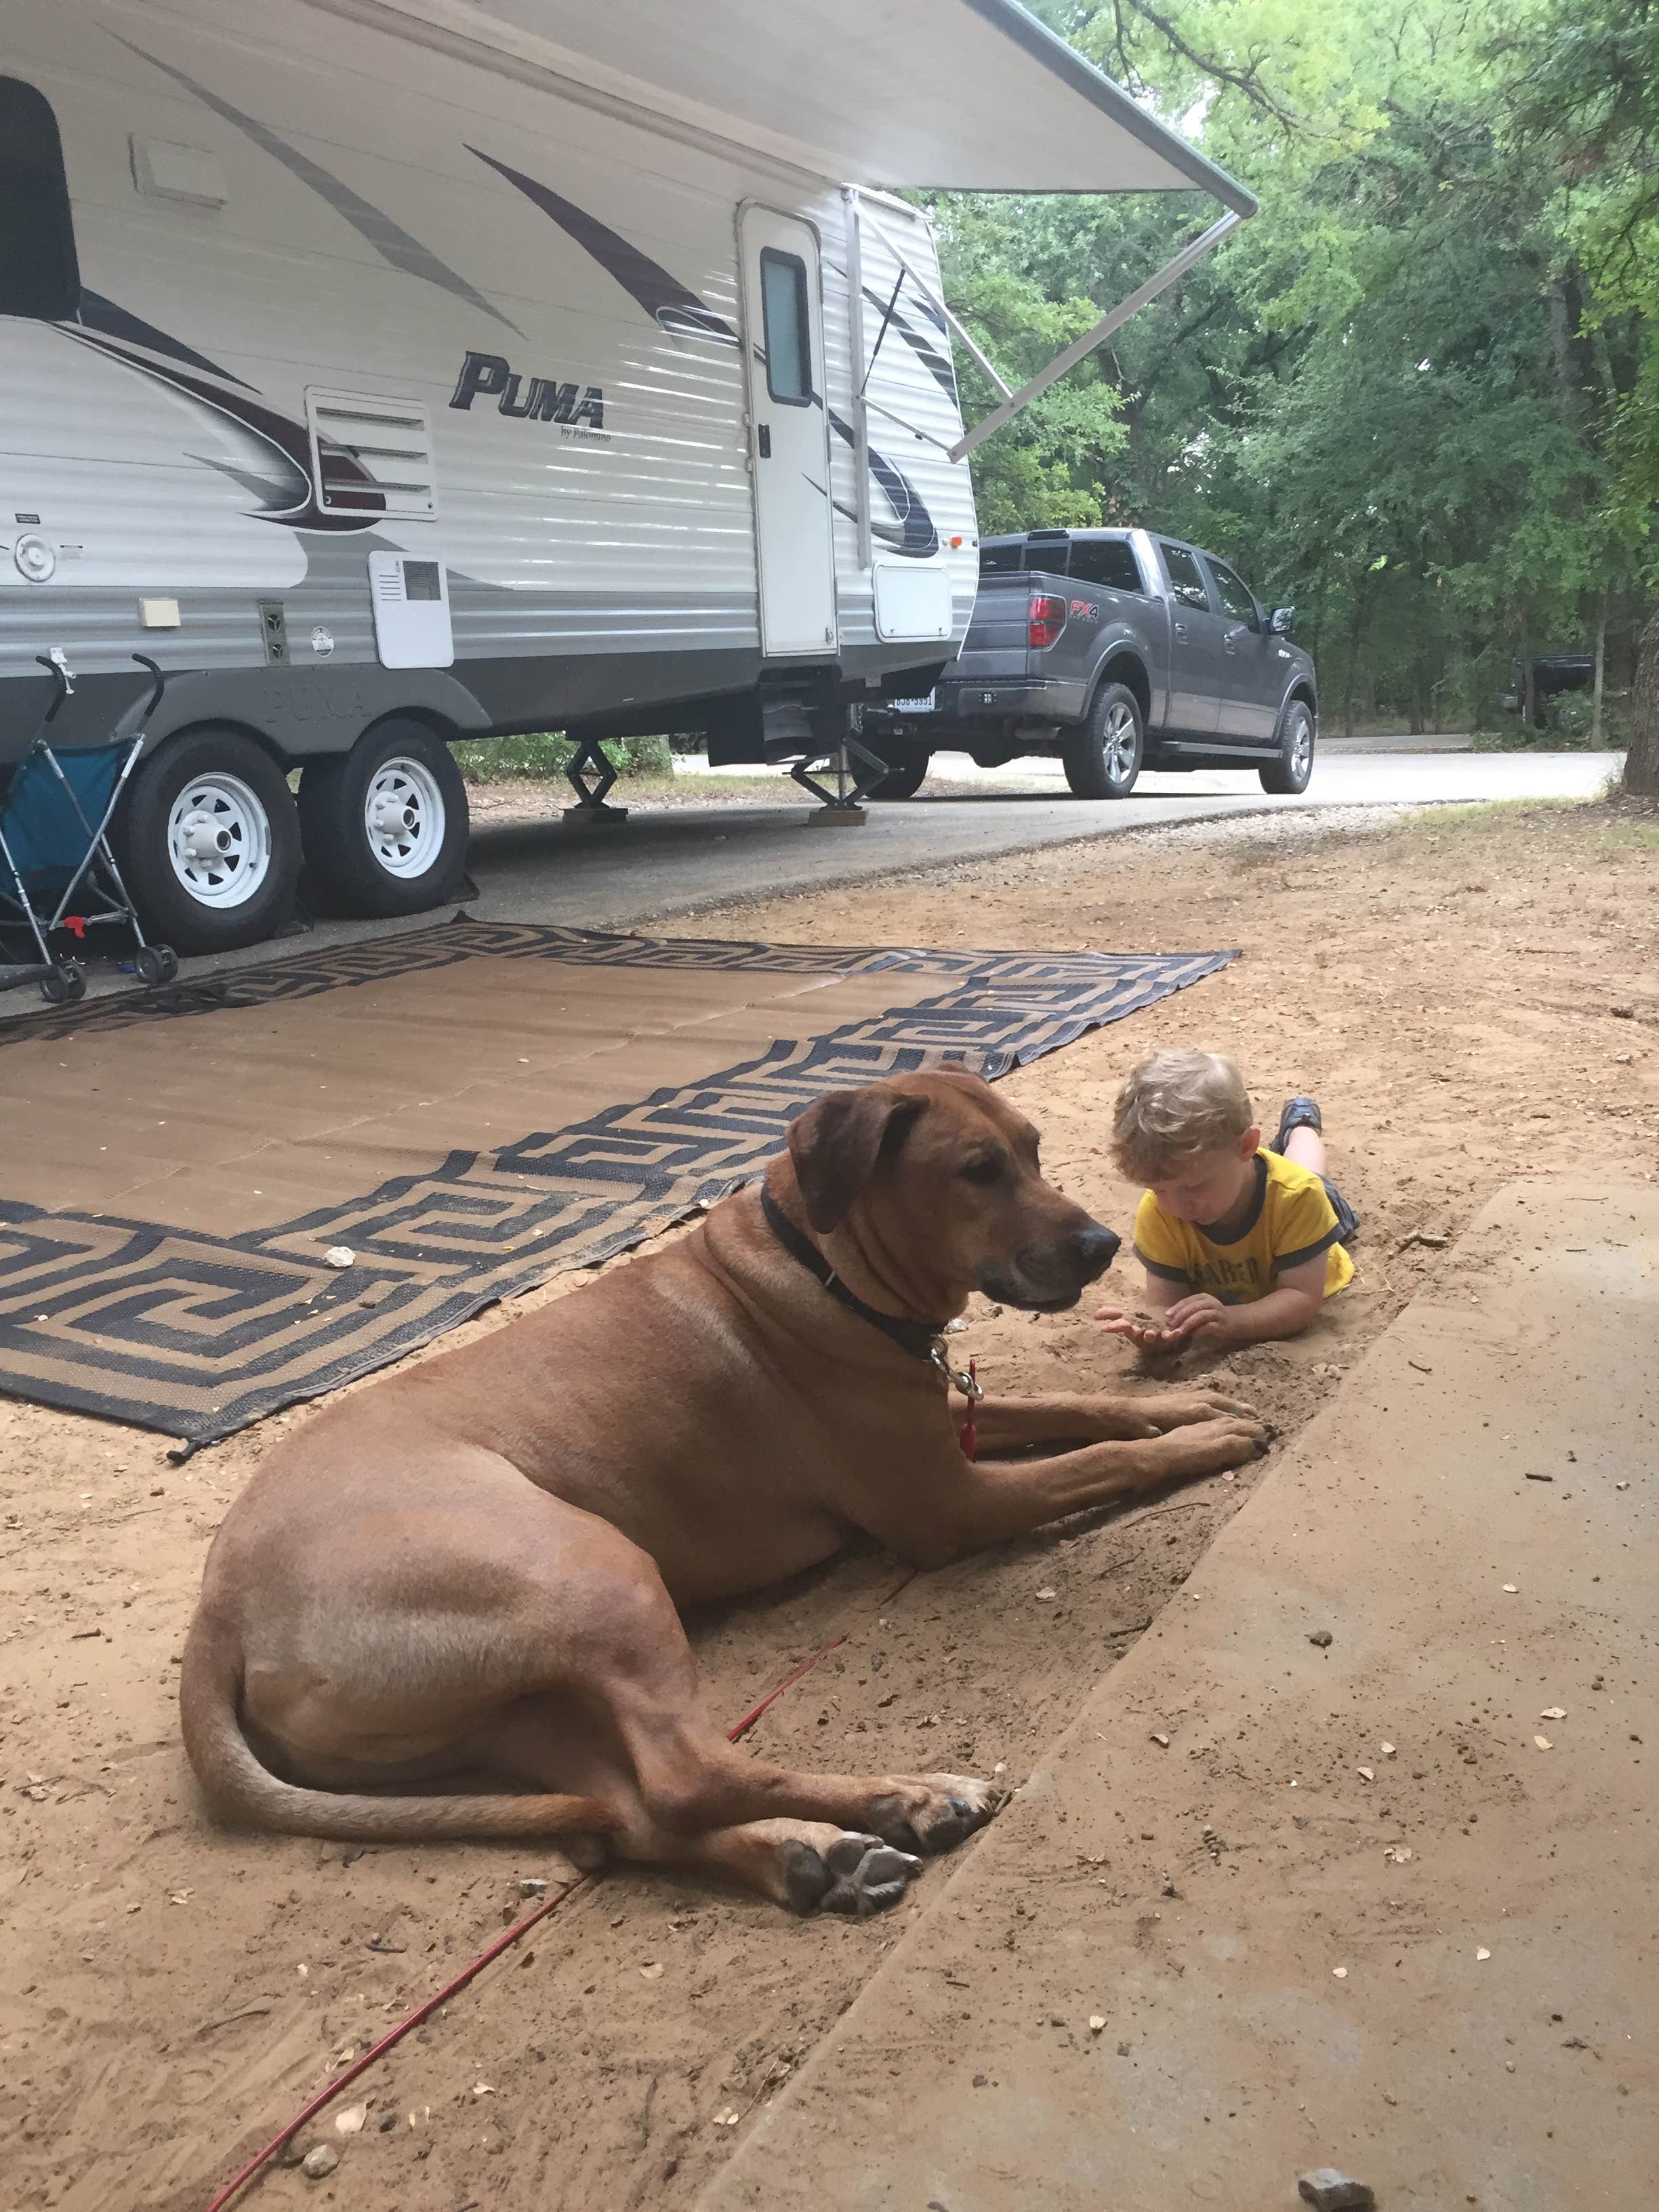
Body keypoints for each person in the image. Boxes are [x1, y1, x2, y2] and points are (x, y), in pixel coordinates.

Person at [1095, 1048, 1357, 1350]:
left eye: (1193, 1187)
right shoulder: (1160, 1212)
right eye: (1159, 1190)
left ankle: (1301, 1127)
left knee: (1312, 1176)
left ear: (1246, 1146)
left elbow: (1300, 1300)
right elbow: (1165, 1302)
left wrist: (1233, 1321)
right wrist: (1154, 1327)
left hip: (1311, 1217)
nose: (1177, 1206)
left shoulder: (1300, 1198)